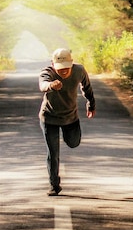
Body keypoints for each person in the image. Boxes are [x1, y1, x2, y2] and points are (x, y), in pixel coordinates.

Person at [38, 48, 96, 196]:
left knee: (73, 143)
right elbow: (43, 84)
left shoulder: (79, 70)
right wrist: (51, 86)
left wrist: (91, 104)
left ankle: (66, 133)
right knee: (53, 152)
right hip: (49, 117)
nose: (63, 71)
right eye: (60, 69)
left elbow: (87, 87)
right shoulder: (48, 72)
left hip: (70, 117)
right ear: (53, 64)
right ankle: (54, 185)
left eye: (66, 68)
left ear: (71, 63)